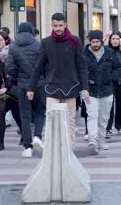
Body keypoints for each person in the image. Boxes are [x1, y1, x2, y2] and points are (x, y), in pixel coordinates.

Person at [28, 13, 89, 149]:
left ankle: (70, 149)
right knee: (51, 120)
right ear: (52, 25)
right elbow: (38, 66)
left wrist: (85, 88)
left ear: (65, 24)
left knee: (70, 121)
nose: (58, 28)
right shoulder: (46, 42)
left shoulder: (75, 41)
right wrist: (31, 88)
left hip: (71, 87)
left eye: (60, 25)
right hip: (52, 87)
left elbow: (82, 66)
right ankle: (52, 149)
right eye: (55, 26)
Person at [6, 22, 46, 158]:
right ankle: (38, 137)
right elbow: (45, 65)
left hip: (23, 86)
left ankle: (27, 147)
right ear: (31, 32)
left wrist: (19, 77)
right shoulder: (39, 45)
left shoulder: (13, 47)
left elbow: (9, 68)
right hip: (39, 85)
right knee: (40, 112)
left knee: (25, 116)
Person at [0, 32, 22, 152]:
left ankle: (24, 136)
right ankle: (0, 143)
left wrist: (7, 87)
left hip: (12, 88)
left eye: (1, 40)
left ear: (7, 41)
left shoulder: (12, 53)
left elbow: (15, 73)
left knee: (17, 113)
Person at [84, 30, 115, 152]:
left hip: (106, 90)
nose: (95, 44)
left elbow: (117, 67)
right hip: (89, 91)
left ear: (101, 41)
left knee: (103, 118)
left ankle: (102, 140)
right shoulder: (84, 54)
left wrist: (111, 78)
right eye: (93, 42)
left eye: (97, 41)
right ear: (90, 41)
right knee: (92, 116)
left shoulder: (109, 53)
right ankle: (93, 140)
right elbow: (80, 70)